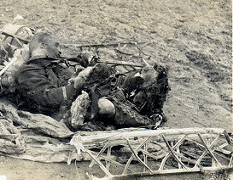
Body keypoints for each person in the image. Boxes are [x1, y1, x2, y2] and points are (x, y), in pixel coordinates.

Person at [15, 32, 170, 130]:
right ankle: (145, 120)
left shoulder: (58, 60)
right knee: (106, 105)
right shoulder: (29, 70)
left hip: (96, 89)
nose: (60, 50)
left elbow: (83, 62)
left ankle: (151, 109)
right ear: (42, 45)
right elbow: (47, 98)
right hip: (76, 104)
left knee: (148, 78)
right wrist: (79, 81)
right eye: (56, 46)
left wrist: (87, 61)